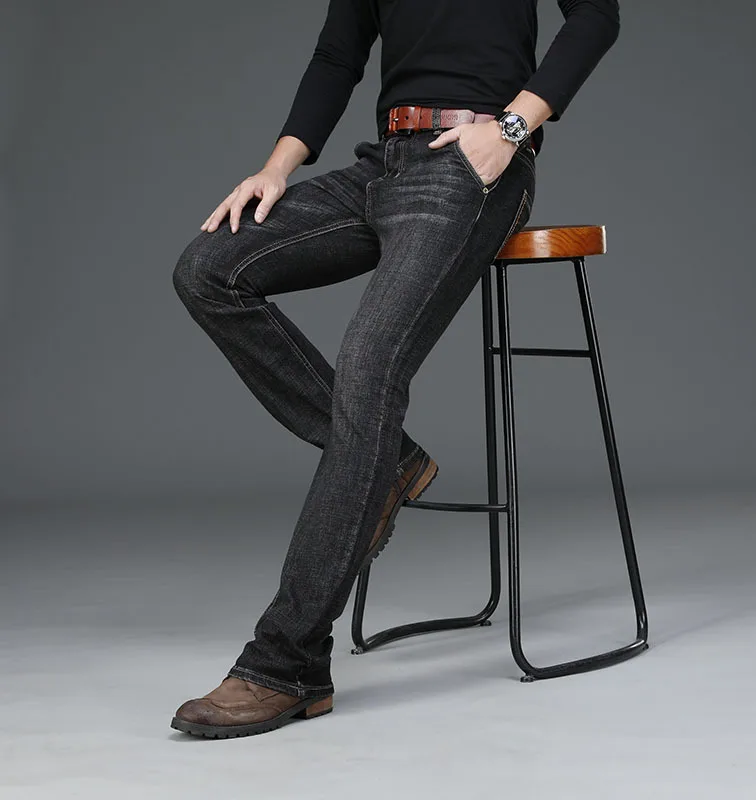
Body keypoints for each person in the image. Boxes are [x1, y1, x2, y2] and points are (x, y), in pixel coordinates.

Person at [169, 0, 621, 739]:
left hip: (473, 164)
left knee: (368, 369)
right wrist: (276, 168)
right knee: (208, 271)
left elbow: (596, 15)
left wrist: (512, 129)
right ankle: (389, 461)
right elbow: (336, 55)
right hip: (382, 165)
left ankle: (286, 663)